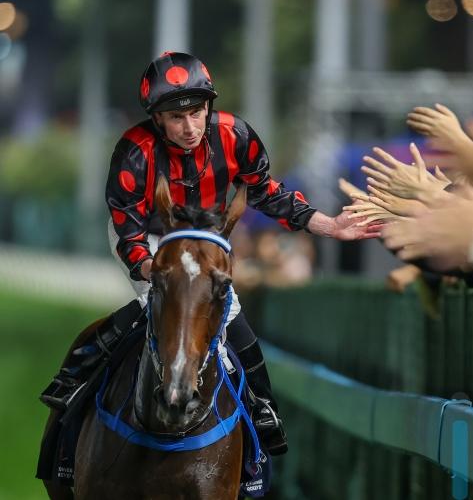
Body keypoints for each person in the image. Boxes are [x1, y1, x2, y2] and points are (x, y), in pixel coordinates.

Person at [40, 51, 380, 456]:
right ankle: (75, 385)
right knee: (160, 300)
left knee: (229, 311)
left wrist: (330, 225)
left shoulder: (236, 136)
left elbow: (267, 194)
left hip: (206, 232)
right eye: (176, 118)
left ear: (208, 107)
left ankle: (262, 407)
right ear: (158, 120)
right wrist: (159, 271)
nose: (190, 127)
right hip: (150, 235)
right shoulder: (134, 151)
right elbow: (128, 233)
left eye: (197, 113)